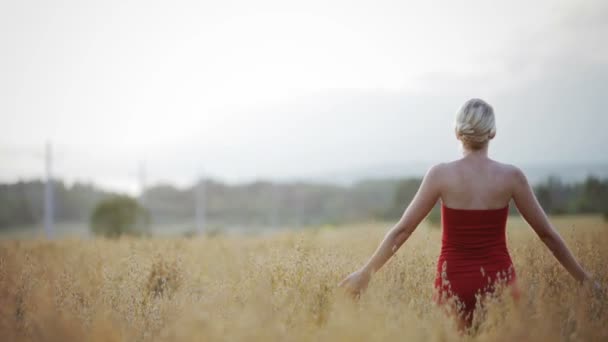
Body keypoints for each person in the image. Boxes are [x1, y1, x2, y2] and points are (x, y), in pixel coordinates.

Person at [338, 98, 602, 327]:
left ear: (457, 133)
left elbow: (402, 230)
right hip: (501, 286)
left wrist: (365, 274)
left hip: (453, 286)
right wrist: (584, 279)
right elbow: (547, 235)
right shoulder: (512, 177)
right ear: (493, 133)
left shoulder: (440, 175)